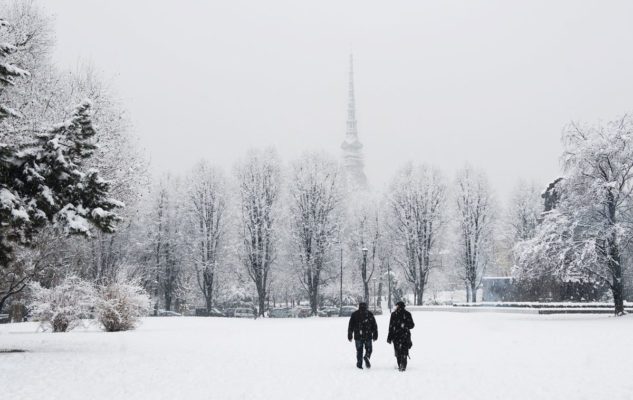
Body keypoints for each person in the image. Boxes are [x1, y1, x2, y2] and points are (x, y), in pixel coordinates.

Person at [347, 302, 378, 369]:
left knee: (359, 350)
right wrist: (375, 334)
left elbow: (351, 326)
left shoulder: (355, 314)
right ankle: (367, 356)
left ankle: (359, 364)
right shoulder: (369, 314)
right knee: (369, 349)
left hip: (358, 335)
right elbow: (374, 325)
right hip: (368, 335)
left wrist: (350, 335)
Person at [387, 301, 415, 371]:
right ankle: (403, 365)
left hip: (396, 336)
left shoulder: (394, 314)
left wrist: (389, 337)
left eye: (397, 306)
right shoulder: (407, 314)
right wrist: (405, 325)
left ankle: (400, 364)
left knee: (398, 351)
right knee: (404, 351)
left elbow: (391, 326)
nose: (396, 307)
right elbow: (412, 325)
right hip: (405, 335)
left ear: (398, 306)